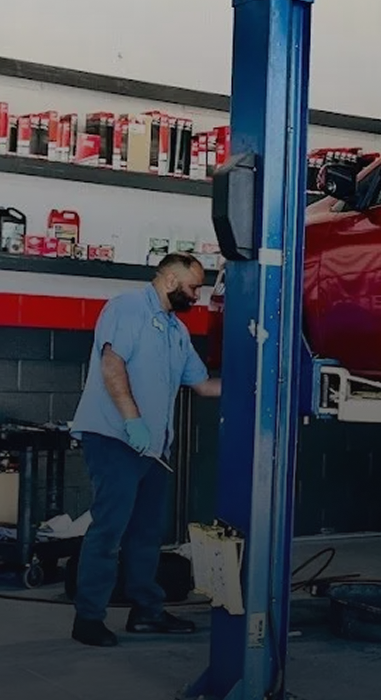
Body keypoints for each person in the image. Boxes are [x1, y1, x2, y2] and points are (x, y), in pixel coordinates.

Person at [69, 252, 220, 647]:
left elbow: (202, 385)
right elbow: (111, 364)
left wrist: (256, 384)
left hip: (152, 450)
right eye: (193, 287)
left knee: (147, 534)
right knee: (109, 530)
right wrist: (132, 419)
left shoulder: (176, 330)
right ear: (170, 280)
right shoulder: (128, 308)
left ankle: (146, 612)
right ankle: (87, 618)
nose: (197, 296)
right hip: (115, 438)